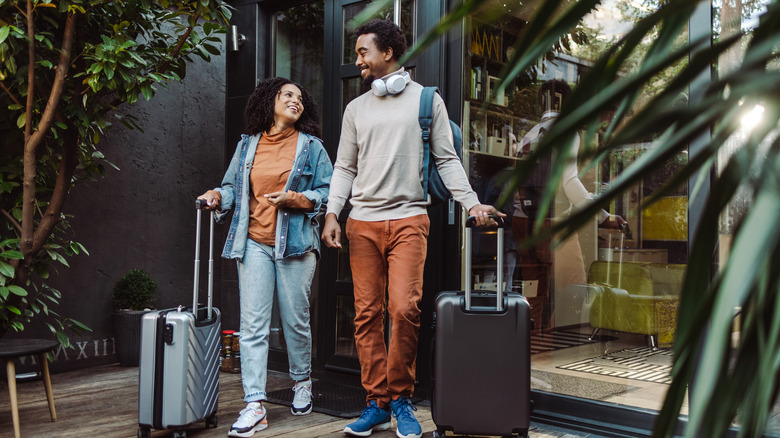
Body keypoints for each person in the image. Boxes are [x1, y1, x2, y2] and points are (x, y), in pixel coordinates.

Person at [320, 19, 504, 438]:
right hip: (361, 222)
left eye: (363, 51)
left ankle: (401, 397)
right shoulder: (355, 109)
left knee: (404, 310)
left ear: (388, 52)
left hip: (408, 220)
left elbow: (447, 160)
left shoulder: (426, 101)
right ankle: (376, 402)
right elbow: (344, 166)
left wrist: (472, 203)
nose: (357, 60)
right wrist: (333, 213)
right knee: (366, 314)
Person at [198, 77, 333, 438]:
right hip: (253, 242)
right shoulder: (247, 146)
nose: (295, 101)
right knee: (253, 325)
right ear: (267, 101)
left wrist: (299, 200)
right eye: (287, 95)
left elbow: (328, 190)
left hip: (295, 244)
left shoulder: (311, 147)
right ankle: (254, 404)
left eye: (300, 98)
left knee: (295, 319)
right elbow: (231, 188)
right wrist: (216, 195)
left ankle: (301, 381)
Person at [512, 79, 626, 329]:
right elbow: (569, 182)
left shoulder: (527, 136)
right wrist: (603, 216)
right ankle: (558, 352)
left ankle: (531, 348)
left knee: (534, 291)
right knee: (573, 288)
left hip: (523, 222)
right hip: (555, 224)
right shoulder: (567, 132)